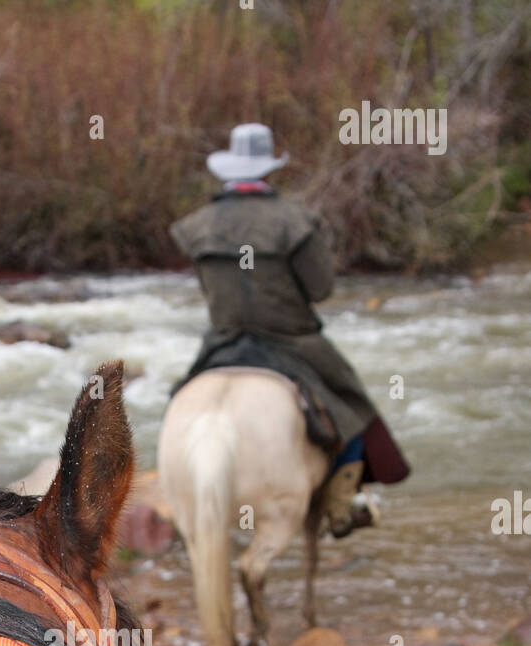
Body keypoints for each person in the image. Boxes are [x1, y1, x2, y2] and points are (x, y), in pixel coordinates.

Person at [170, 124, 409, 537]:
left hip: (224, 341)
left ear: (229, 170)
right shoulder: (294, 221)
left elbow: (210, 287)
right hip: (291, 340)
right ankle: (340, 506)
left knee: (181, 403)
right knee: (351, 409)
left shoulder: (198, 224)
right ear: (269, 170)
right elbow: (320, 288)